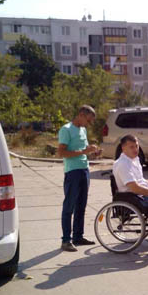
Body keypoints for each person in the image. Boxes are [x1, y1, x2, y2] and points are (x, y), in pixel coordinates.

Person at [57, 105, 101, 252]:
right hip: (72, 172)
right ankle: (66, 240)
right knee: (69, 206)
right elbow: (61, 152)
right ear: (81, 115)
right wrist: (83, 151)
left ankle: (78, 236)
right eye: (88, 120)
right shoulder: (66, 129)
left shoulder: (83, 130)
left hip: (84, 170)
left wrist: (92, 152)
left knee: (81, 206)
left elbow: (84, 150)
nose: (89, 123)